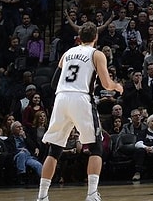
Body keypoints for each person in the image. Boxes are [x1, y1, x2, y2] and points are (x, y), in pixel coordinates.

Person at [35, 22, 122, 201]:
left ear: (79, 38)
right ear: (96, 37)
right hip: (81, 98)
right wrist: (117, 86)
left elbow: (53, 83)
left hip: (61, 98)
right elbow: (106, 84)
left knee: (54, 150)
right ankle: (91, 194)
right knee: (96, 147)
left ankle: (42, 196)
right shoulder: (97, 54)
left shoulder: (67, 53)